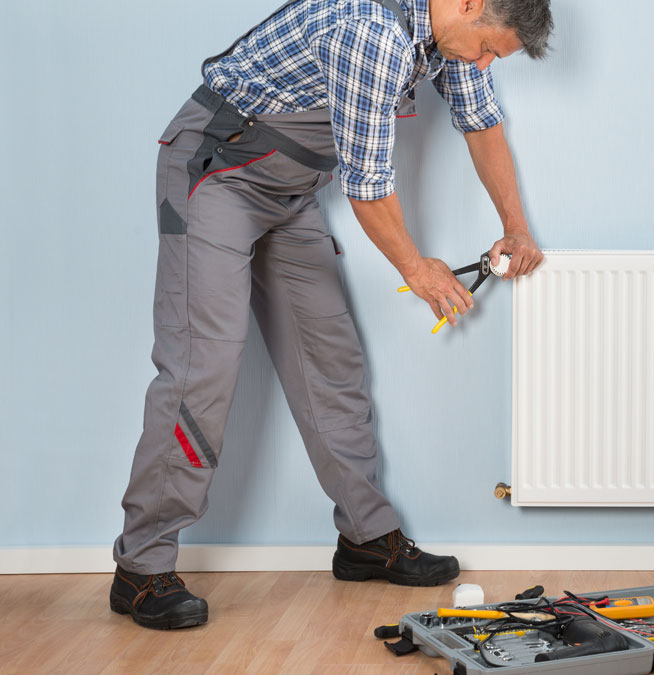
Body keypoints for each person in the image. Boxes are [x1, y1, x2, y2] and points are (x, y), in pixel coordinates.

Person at [110, 0, 552, 630]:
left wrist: (516, 227)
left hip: (287, 192)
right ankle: (141, 568)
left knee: (331, 361)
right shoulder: (373, 33)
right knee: (201, 367)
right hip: (217, 172)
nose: (482, 63)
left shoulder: (447, 37)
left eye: (493, 58)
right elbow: (368, 182)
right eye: (486, 48)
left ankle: (367, 539)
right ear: (470, 3)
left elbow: (481, 125)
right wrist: (416, 268)